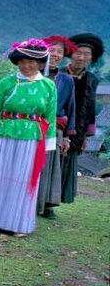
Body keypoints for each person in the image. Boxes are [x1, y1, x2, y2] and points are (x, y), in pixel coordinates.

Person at [0, 39, 58, 237]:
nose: (27, 65)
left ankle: (17, 224)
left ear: (40, 63)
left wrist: (48, 144)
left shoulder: (49, 86)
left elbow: (50, 116)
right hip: (4, 133)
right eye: (23, 61)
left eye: (32, 61)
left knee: (22, 179)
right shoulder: (6, 83)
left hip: (31, 137)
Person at [38, 36, 76, 219]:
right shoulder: (33, 73)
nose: (55, 54)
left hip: (55, 128)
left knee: (50, 165)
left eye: (59, 52)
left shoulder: (67, 80)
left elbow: (70, 108)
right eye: (52, 50)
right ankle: (29, 201)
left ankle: (46, 204)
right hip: (34, 125)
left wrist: (68, 136)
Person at [62, 33, 103, 202]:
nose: (82, 57)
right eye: (78, 52)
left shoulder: (92, 80)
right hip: (57, 124)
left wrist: (86, 135)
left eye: (87, 54)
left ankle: (54, 202)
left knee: (67, 165)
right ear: (71, 54)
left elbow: (90, 107)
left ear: (91, 57)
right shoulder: (59, 74)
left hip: (78, 129)